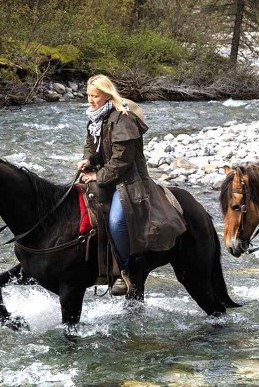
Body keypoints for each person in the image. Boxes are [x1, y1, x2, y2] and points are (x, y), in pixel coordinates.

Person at [76, 75, 186, 295]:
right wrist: (88, 161)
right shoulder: (95, 117)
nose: (91, 100)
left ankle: (124, 270)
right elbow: (90, 144)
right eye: (88, 95)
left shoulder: (122, 119)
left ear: (107, 95)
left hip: (128, 181)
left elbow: (122, 160)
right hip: (105, 174)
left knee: (117, 221)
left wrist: (99, 176)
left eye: (95, 96)